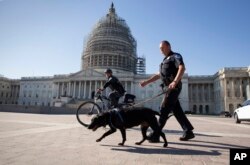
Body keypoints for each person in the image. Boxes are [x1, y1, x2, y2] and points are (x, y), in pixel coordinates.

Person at [140, 40, 195, 142]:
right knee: (177, 111)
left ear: (168, 46)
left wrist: (175, 81)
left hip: (173, 87)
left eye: (162, 48)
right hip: (167, 88)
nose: (161, 50)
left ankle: (156, 134)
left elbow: (182, 68)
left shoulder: (175, 56)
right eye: (160, 49)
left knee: (164, 109)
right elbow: (158, 75)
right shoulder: (164, 61)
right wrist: (147, 82)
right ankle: (188, 131)